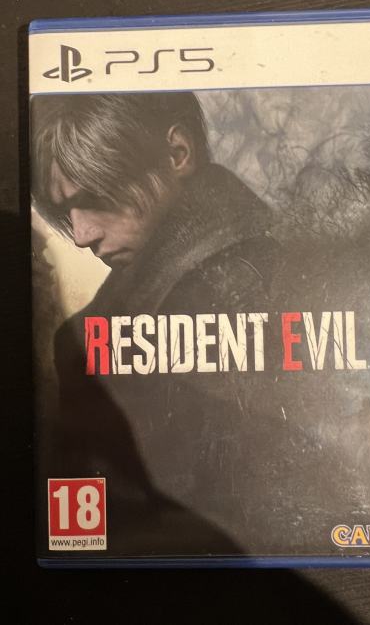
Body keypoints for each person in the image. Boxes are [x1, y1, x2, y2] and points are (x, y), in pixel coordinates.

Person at [31, 92, 283, 554]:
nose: (81, 234)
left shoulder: (276, 281)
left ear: (177, 154)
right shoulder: (84, 339)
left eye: (94, 196)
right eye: (66, 212)